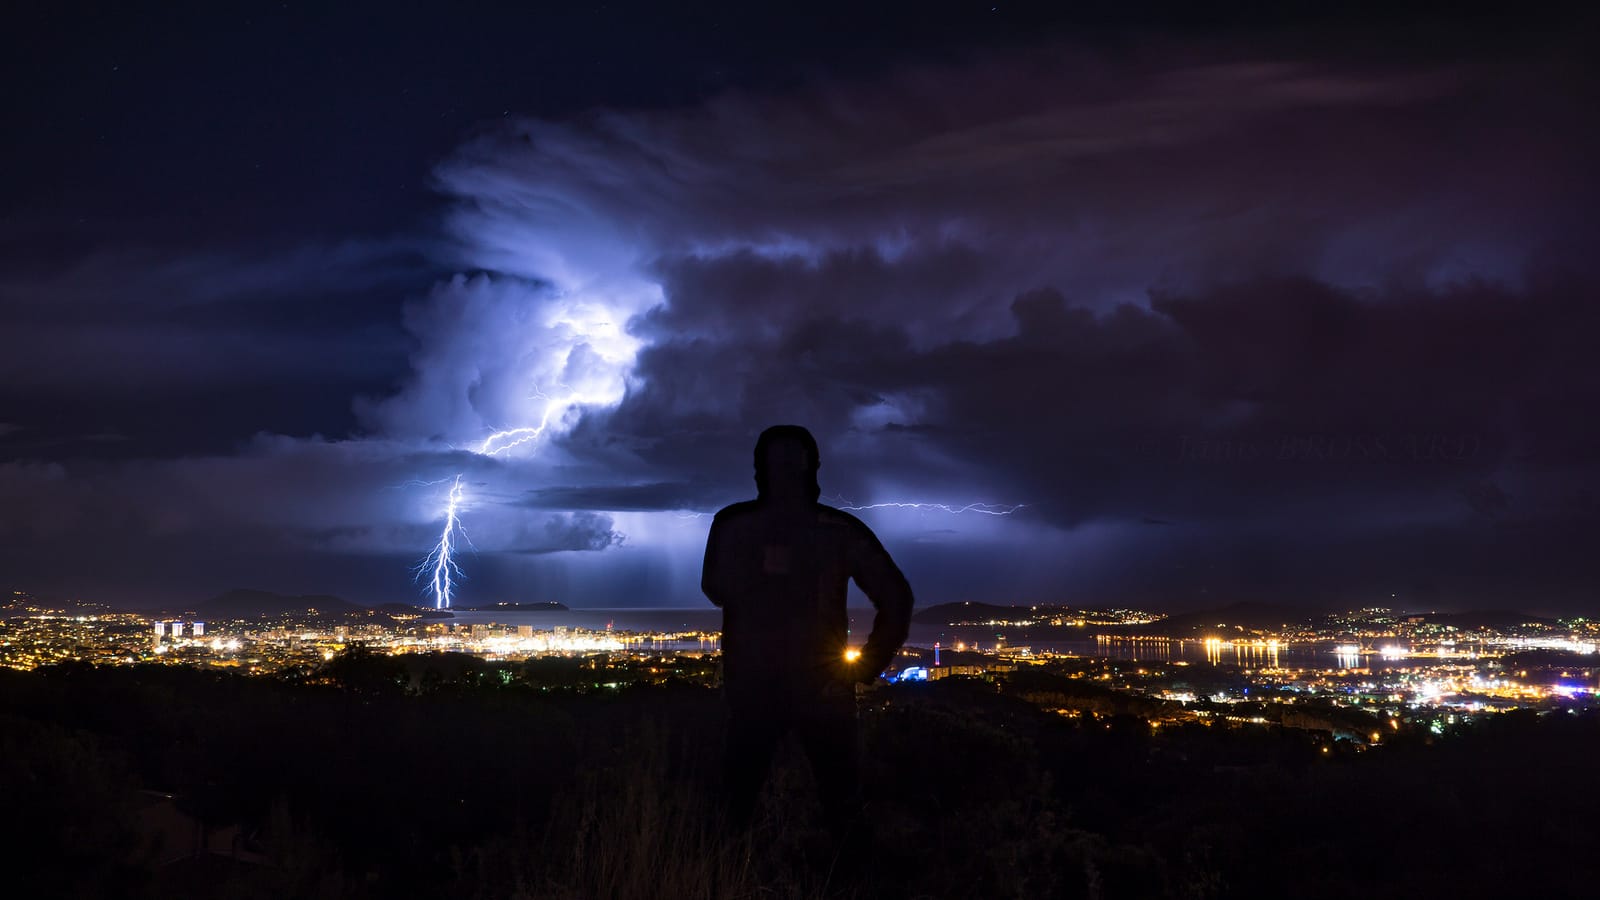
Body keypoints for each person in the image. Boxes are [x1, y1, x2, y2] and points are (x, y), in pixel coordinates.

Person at [701, 425, 914, 831]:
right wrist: (867, 665)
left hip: (756, 687)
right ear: (812, 469)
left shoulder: (733, 524)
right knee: (840, 807)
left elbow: (714, 588)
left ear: (759, 471)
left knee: (736, 806)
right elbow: (896, 597)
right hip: (822, 688)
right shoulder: (838, 530)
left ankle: (725, 879)